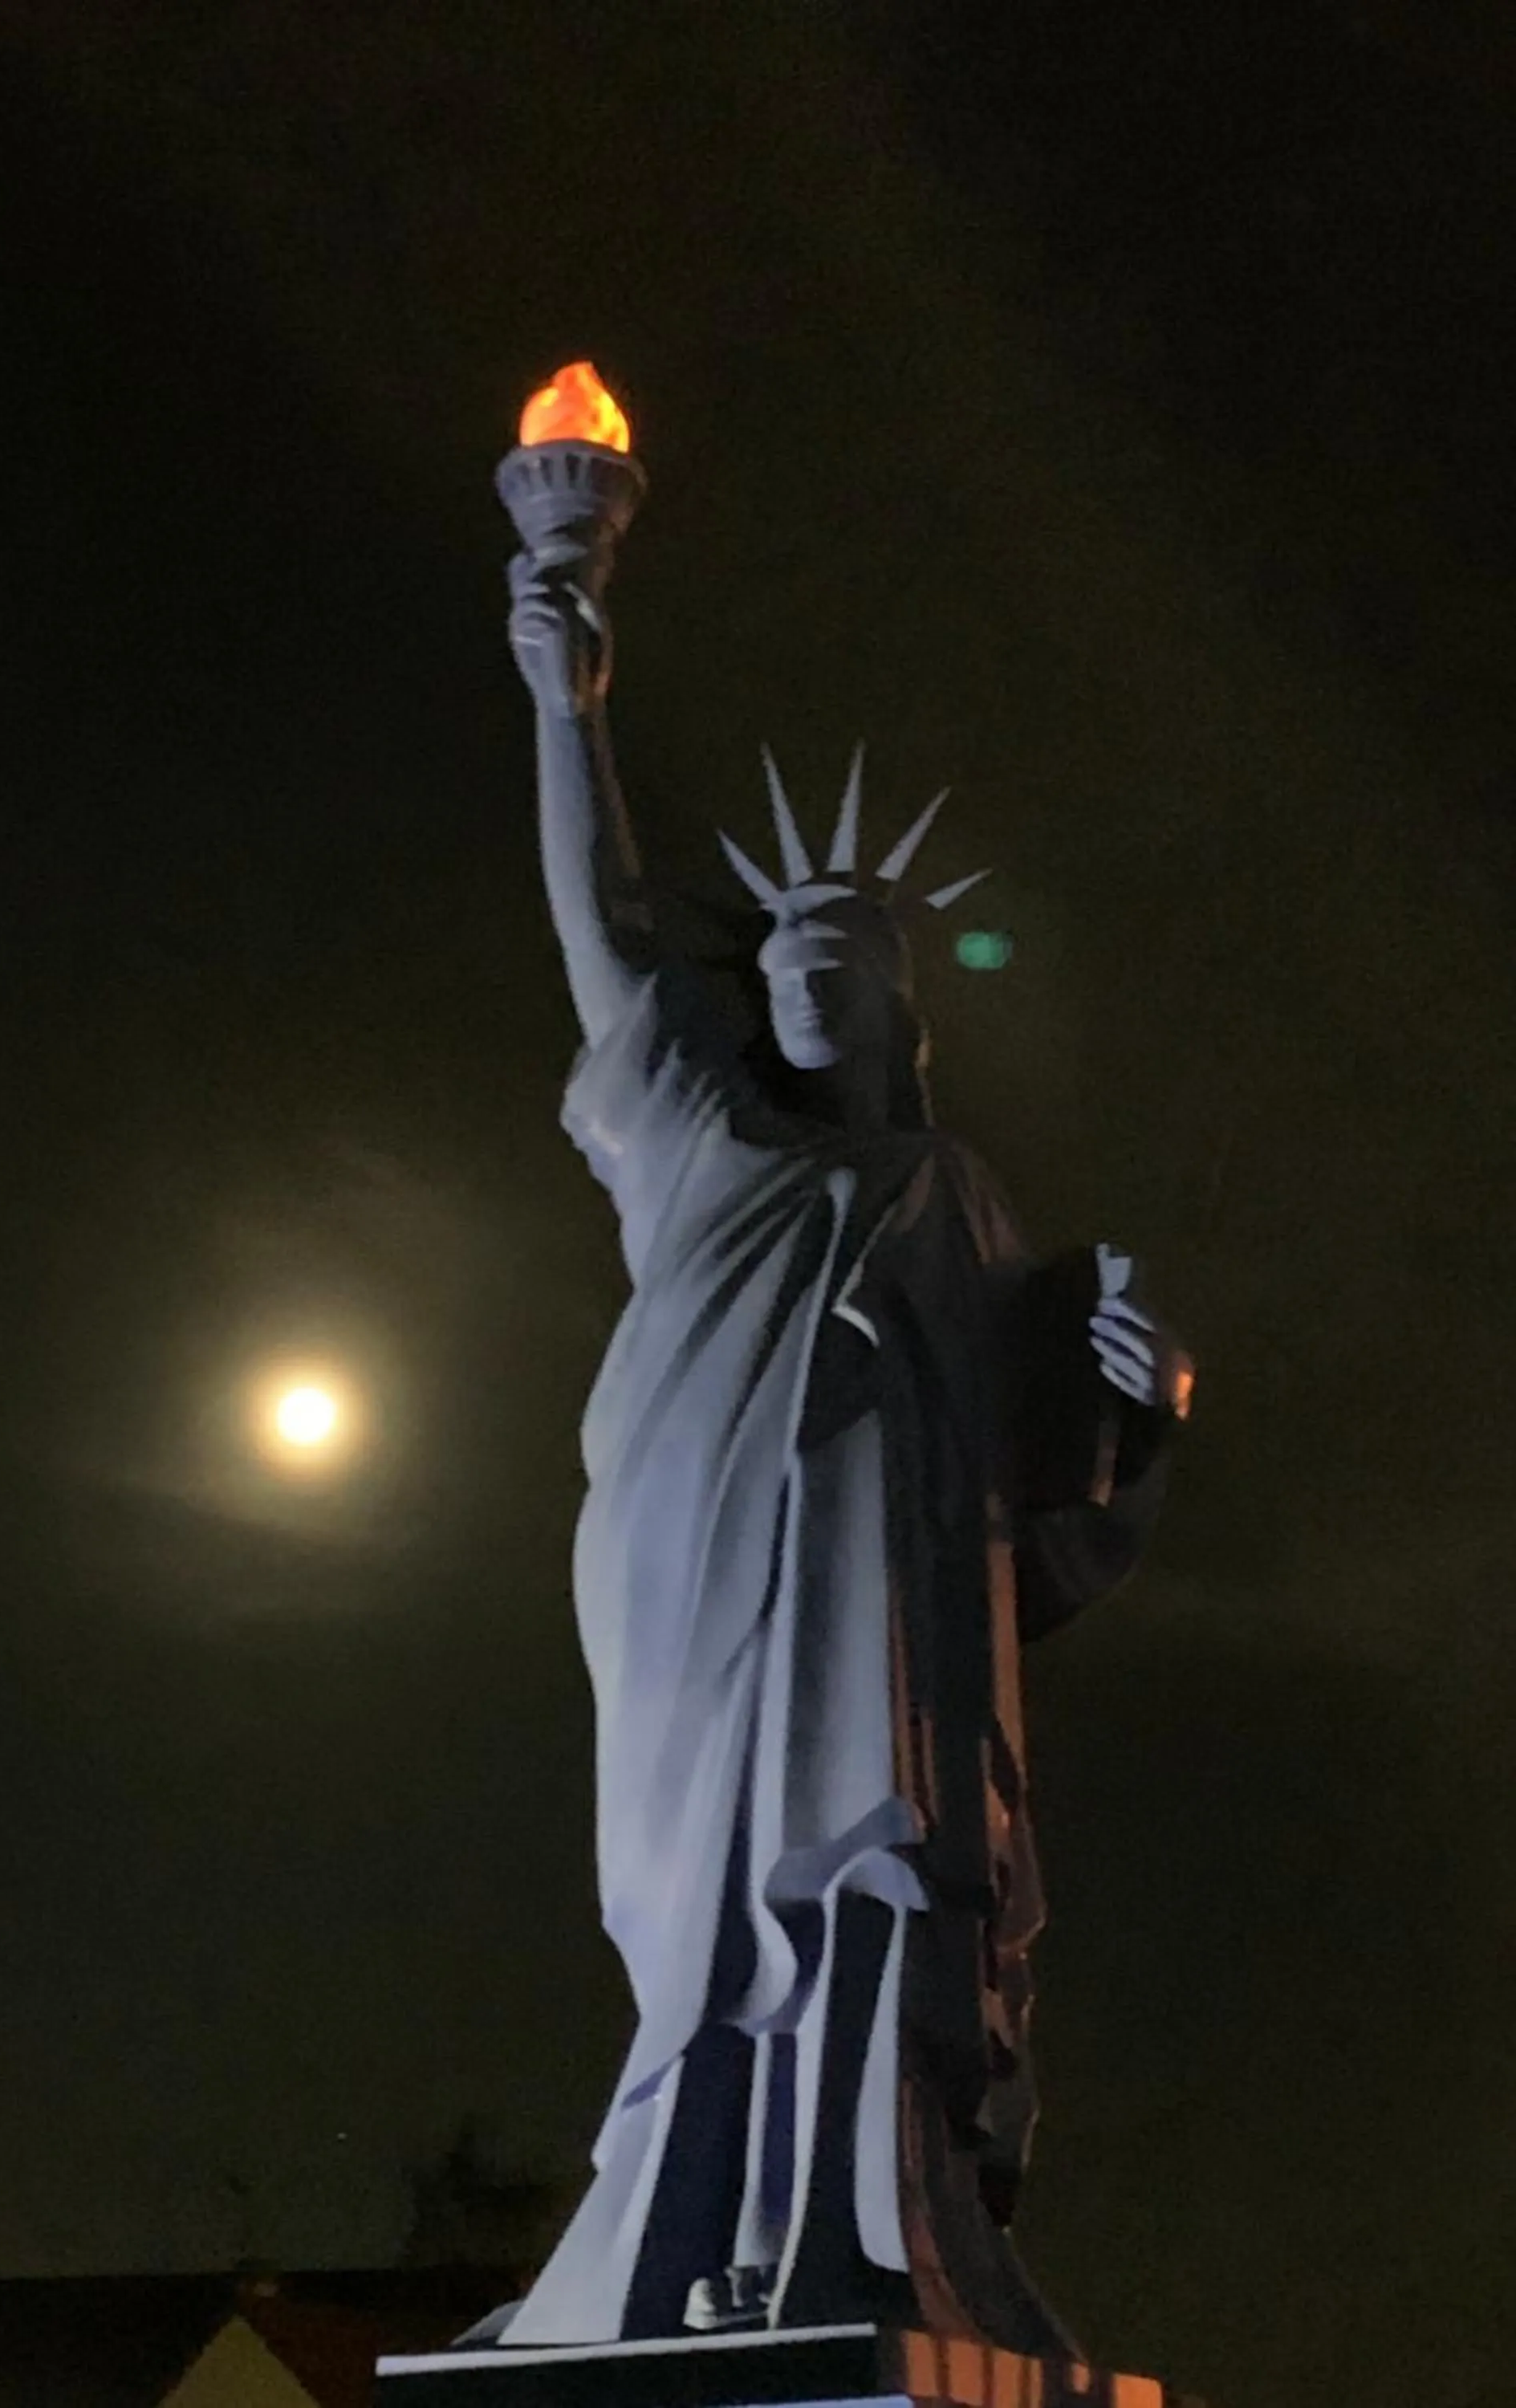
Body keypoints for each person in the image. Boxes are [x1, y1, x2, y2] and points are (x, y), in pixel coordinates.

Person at [488, 555, 1189, 2353]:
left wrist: (1144, 1401)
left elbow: (1045, 1486)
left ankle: (872, 2237)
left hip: (891, 1629)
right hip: (702, 1593)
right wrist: (570, 712)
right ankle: (694, 2230)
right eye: (785, 957)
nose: (805, 978)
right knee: (706, 1929)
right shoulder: (699, 1141)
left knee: (884, 1896)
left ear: (896, 1005)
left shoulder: (950, 1193)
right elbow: (604, 936)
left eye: (842, 958)